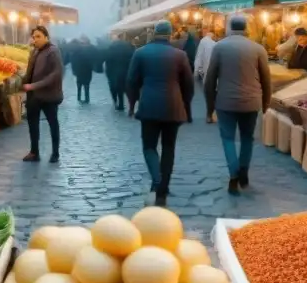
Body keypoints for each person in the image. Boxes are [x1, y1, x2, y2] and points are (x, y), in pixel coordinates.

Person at [126, 20, 194, 206]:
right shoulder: (180, 55)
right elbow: (188, 85)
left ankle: (157, 181)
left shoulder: (140, 53)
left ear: (154, 33)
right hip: (173, 107)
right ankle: (162, 188)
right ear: (170, 34)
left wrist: (132, 105)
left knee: (149, 146)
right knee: (169, 148)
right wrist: (186, 107)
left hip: (148, 106)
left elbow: (131, 81)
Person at [204, 15, 272, 194]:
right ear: (246, 28)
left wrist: (209, 108)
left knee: (227, 138)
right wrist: (265, 104)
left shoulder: (219, 47)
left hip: (225, 102)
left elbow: (210, 80)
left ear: (229, 28)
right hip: (251, 102)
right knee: (247, 138)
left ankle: (234, 174)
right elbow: (266, 80)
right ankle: (244, 172)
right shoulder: (258, 49)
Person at [21, 25, 64, 162]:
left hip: (48, 96)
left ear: (46, 37)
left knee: (53, 123)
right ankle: (34, 152)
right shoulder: (34, 52)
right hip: (34, 96)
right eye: (34, 37)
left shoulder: (53, 51)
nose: (35, 40)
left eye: (38, 36)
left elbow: (56, 74)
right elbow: (30, 72)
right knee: (32, 124)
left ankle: (55, 153)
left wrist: (34, 85)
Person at [105, 34, 135, 111]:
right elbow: (133, 58)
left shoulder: (111, 46)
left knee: (116, 88)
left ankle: (117, 102)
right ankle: (130, 105)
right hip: (126, 70)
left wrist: (108, 72)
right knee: (126, 88)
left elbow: (108, 60)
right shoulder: (129, 46)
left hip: (114, 71)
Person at [70, 35, 95, 104]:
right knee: (85, 85)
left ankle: (79, 98)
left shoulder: (78, 50)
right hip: (86, 70)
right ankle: (86, 99)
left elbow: (73, 60)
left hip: (81, 70)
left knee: (80, 85)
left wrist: (74, 70)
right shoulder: (90, 49)